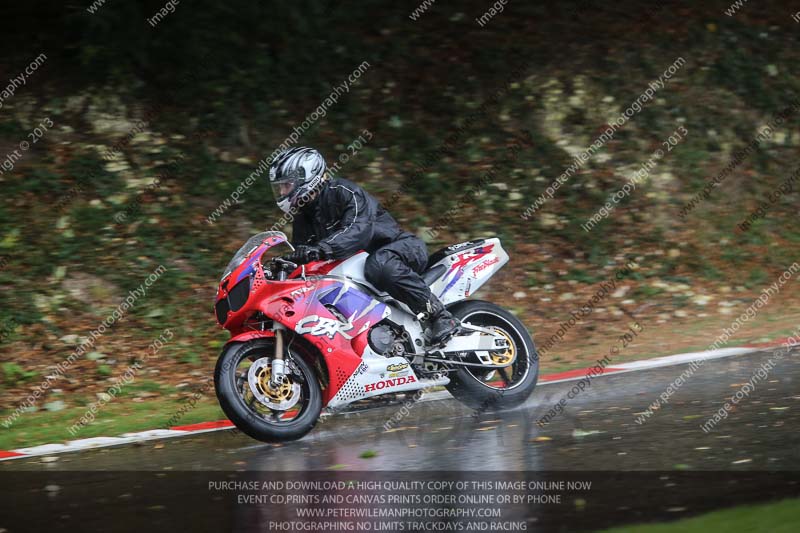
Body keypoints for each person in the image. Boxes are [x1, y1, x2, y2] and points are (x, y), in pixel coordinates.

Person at [268, 146, 459, 346]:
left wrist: (320, 249)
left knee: (379, 263)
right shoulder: (302, 218)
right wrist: (287, 266)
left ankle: (440, 316)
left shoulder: (343, 192)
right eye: (280, 187)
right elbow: (304, 258)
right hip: (361, 272)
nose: (282, 192)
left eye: (286, 185)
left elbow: (357, 229)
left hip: (400, 248)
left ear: (306, 177)